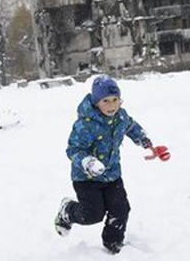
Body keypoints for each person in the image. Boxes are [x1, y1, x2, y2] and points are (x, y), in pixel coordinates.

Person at [54, 75, 170, 254]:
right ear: (96, 102)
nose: (112, 105)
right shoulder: (85, 125)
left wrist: (148, 144)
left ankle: (113, 241)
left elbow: (131, 128)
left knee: (121, 209)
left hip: (113, 175)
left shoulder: (120, 116)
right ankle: (67, 211)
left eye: (115, 100)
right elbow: (73, 150)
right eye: (105, 101)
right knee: (93, 214)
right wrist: (87, 161)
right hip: (86, 179)